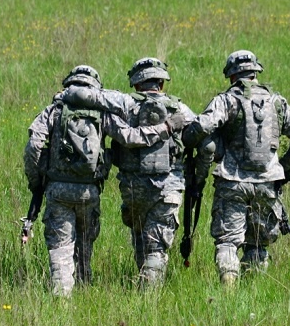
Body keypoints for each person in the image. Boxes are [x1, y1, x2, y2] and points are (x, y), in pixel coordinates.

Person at [23, 65, 185, 297]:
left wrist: (36, 181)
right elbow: (131, 138)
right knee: (84, 246)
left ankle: (61, 299)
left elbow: (33, 147)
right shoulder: (102, 113)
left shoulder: (53, 111)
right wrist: (167, 127)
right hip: (89, 191)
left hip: (57, 188)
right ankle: (84, 287)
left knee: (60, 247)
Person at [182, 50, 290, 286]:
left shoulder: (226, 100)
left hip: (232, 181)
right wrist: (283, 166)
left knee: (228, 242)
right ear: (256, 72)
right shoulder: (277, 102)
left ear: (231, 76)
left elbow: (203, 126)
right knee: (258, 244)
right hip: (267, 183)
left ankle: (228, 292)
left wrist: (187, 139)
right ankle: (253, 292)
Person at [63, 57, 195, 287]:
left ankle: (145, 278)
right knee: (157, 245)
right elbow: (205, 139)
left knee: (140, 234)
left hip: (132, 186)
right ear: (162, 83)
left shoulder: (124, 103)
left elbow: (82, 95)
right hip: (168, 186)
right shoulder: (180, 109)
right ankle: (148, 295)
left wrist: (66, 94)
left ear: (136, 84)